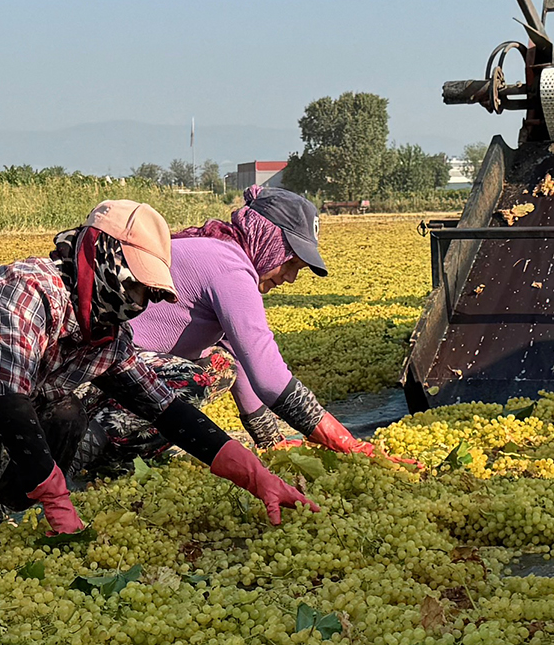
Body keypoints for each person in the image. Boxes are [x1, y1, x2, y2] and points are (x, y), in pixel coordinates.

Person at [0, 199, 317, 548]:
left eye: (150, 294)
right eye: (139, 287)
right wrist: (57, 501)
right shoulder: (28, 292)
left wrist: (258, 478)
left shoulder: (104, 333)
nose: (140, 303)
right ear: (105, 258)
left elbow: (168, 411)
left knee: (63, 407)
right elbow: (5, 396)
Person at [45, 187, 378, 481]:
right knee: (206, 374)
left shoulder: (221, 252)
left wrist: (270, 441)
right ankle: (77, 454)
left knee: (220, 364)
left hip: (104, 370)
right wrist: (348, 444)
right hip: (94, 377)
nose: (290, 277)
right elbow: (270, 378)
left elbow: (242, 357)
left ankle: (111, 455)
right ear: (271, 242)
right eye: (290, 263)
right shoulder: (230, 267)